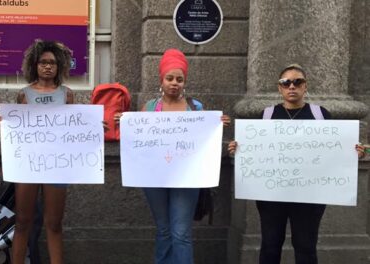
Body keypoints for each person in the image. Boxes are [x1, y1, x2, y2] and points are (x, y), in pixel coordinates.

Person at [228, 64, 366, 264]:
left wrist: (356, 152)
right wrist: (237, 150)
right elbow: (254, 148)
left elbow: (337, 147)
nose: (291, 86)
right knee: (270, 244)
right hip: (272, 195)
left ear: (305, 86)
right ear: (280, 88)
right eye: (286, 82)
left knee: (305, 246)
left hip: (309, 196)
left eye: (297, 82)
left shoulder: (320, 115)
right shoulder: (267, 115)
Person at [114, 48, 230, 264]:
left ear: (184, 82)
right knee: (164, 230)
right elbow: (138, 141)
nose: (174, 83)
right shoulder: (149, 108)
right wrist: (127, 123)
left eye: (179, 79)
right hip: (154, 179)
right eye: (170, 78)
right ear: (162, 80)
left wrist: (216, 125)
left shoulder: (196, 109)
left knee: (181, 233)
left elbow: (204, 140)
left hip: (186, 179)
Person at [0, 40, 74, 264]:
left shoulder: (67, 94)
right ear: (34, 65)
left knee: (54, 223)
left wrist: (94, 128)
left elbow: (75, 125)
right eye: (43, 62)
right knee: (23, 221)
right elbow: (18, 125)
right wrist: (1, 121)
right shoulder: (24, 94)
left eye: (52, 63)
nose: (47, 66)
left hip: (57, 164)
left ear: (60, 65)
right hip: (28, 164)